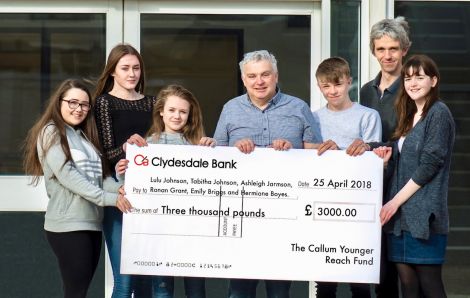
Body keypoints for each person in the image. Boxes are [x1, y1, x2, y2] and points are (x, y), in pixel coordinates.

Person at [213, 50, 321, 298]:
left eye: (265, 74)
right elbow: (216, 156)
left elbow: (317, 155)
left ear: (276, 76)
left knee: (279, 292)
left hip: (285, 217)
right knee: (239, 291)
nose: (258, 81)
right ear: (243, 80)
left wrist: (293, 151)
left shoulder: (299, 107)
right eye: (252, 76)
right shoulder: (230, 109)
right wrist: (235, 150)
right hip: (242, 216)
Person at [23, 79, 132, 298]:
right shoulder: (51, 132)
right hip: (68, 225)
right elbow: (68, 176)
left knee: (78, 292)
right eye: (72, 102)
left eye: (84, 105)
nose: (78, 109)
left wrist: (120, 188)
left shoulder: (84, 136)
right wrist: (110, 199)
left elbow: (99, 177)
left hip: (91, 223)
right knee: (76, 292)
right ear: (59, 102)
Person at [115, 84, 215, 298]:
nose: (177, 116)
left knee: (196, 290)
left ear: (189, 115)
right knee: (162, 289)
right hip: (159, 231)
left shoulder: (199, 146)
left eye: (183, 111)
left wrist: (214, 152)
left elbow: (214, 182)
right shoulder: (146, 145)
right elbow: (132, 185)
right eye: (171, 110)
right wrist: (122, 171)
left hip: (193, 230)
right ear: (161, 111)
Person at [374, 54, 454, 298]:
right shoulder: (409, 115)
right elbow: (403, 156)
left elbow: (430, 164)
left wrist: (394, 202)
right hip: (400, 220)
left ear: (433, 80)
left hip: (424, 217)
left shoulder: (438, 113)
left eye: (419, 77)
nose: (412, 83)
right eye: (407, 78)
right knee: (408, 287)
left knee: (430, 286)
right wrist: (384, 155)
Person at [346, 17, 412, 298]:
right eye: (381, 49)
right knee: (375, 266)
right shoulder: (365, 92)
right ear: (373, 51)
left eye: (394, 48)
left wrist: (376, 148)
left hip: (401, 184)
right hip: (371, 185)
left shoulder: (413, 88)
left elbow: (412, 140)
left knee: (402, 270)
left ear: (404, 50)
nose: (388, 55)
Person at [312, 57, 381, 298]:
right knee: (325, 280)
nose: (332, 91)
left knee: (359, 279)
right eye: (326, 86)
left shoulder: (368, 116)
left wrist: (357, 149)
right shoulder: (314, 118)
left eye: (337, 84)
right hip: (323, 203)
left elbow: (374, 158)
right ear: (319, 87)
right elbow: (308, 157)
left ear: (349, 82)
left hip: (357, 204)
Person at [93, 43, 155, 298]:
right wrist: (127, 148)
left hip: (151, 195)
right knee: (124, 279)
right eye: (125, 68)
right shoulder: (103, 103)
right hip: (120, 195)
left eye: (136, 68)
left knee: (145, 283)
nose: (132, 74)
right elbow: (105, 152)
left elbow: (160, 146)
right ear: (112, 72)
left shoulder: (152, 102)